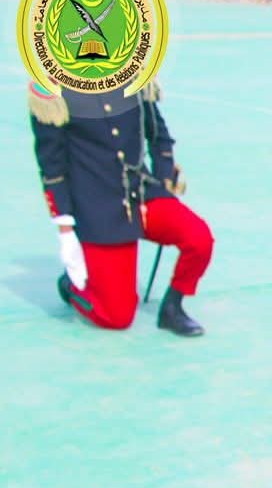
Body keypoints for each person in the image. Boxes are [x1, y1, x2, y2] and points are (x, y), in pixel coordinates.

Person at [29, 80, 213, 336]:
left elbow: (159, 136)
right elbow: (52, 168)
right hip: (97, 209)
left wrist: (164, 180)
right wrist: (65, 229)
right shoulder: (53, 89)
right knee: (116, 317)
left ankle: (173, 307)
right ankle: (72, 287)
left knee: (199, 238)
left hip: (142, 194)